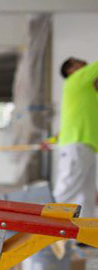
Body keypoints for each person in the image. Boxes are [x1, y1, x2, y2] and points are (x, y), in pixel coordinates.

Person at [54, 57, 97, 218]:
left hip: (86, 146)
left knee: (86, 195)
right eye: (77, 62)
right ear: (70, 70)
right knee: (66, 190)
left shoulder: (88, 93)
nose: (84, 63)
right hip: (77, 145)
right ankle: (40, 223)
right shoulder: (76, 79)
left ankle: (84, 231)